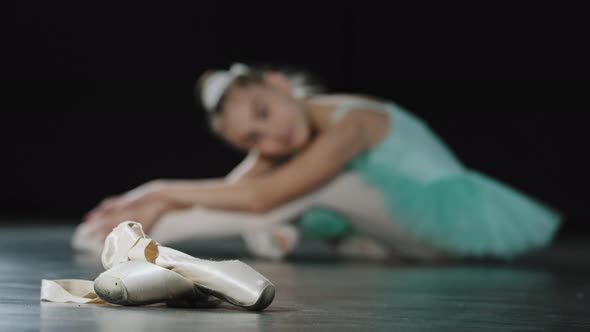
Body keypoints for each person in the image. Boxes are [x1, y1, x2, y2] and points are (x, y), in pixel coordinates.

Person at [72, 63, 562, 262]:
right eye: (253, 138)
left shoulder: (355, 122)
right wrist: (153, 199)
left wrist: (157, 191)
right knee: (278, 200)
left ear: (280, 84)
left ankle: (123, 241)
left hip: (455, 231)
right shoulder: (286, 138)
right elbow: (232, 188)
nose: (271, 136)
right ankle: (134, 231)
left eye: (264, 112)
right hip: (392, 246)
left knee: (314, 188)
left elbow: (259, 195)